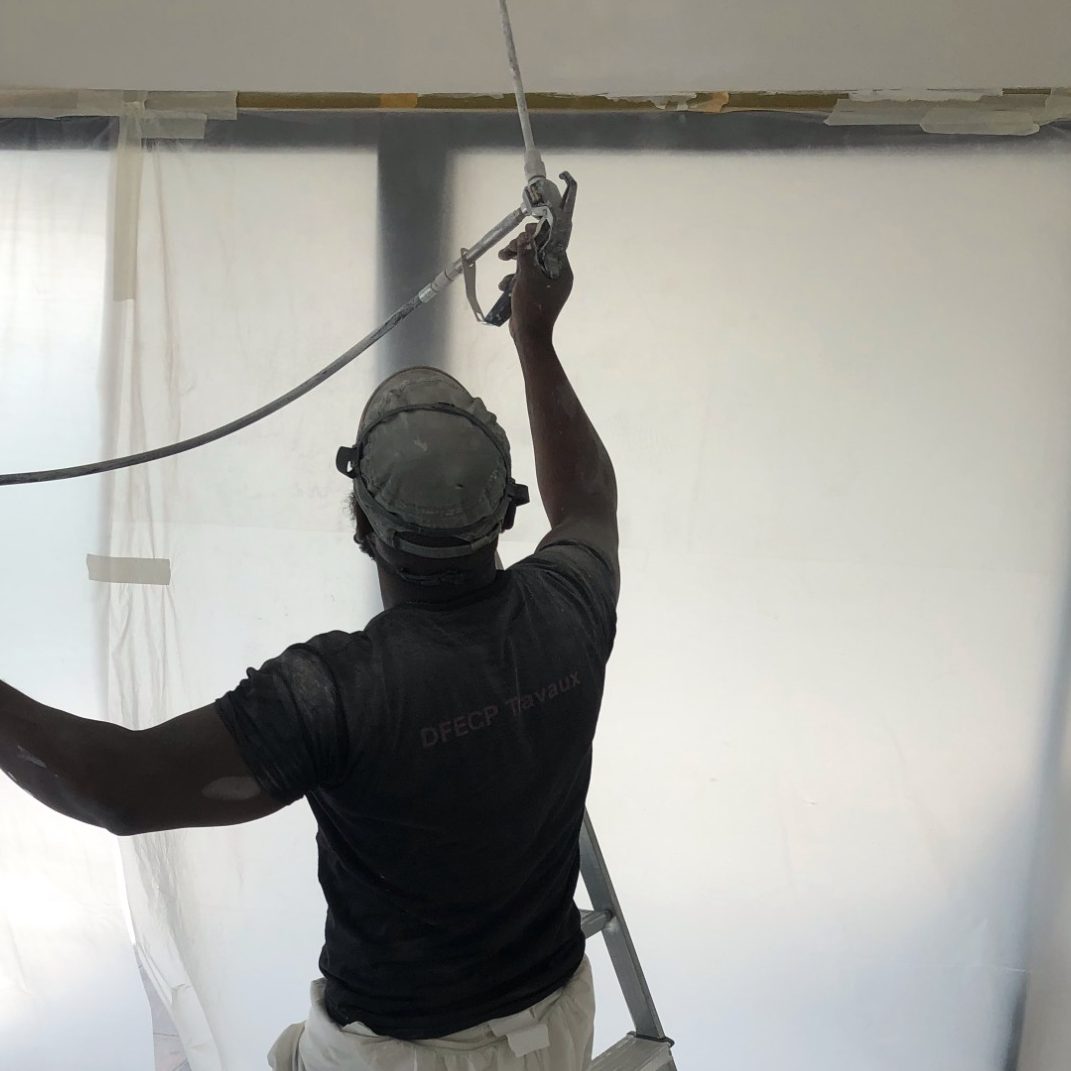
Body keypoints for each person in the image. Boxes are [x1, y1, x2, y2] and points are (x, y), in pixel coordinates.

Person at [0, 225, 619, 1071]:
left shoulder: (340, 693)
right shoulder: (569, 608)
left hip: (402, 1055)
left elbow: (116, 786)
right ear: (505, 510)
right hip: (557, 1017)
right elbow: (586, 502)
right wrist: (535, 337)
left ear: (362, 524)